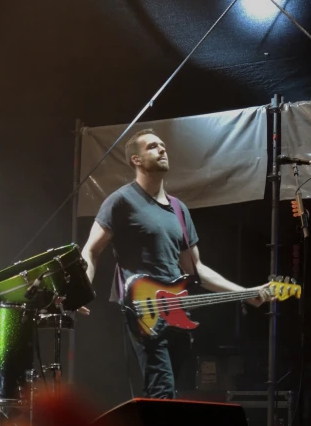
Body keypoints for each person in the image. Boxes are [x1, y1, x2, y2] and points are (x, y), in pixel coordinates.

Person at [78, 129, 271, 399]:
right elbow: (91, 250)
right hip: (143, 310)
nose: (162, 149)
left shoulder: (179, 210)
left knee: (167, 393)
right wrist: (81, 290)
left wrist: (246, 294)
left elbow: (196, 270)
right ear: (136, 159)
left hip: (176, 313)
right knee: (162, 389)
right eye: (153, 146)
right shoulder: (121, 201)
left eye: (163, 145)